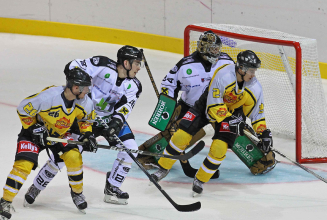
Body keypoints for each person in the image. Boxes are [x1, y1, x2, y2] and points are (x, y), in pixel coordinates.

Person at [23, 45, 143, 207]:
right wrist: (80, 84)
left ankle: (112, 187)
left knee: (130, 149)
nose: (139, 67)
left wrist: (116, 122)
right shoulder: (102, 64)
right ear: (126, 63)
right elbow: (72, 66)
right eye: (136, 63)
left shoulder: (135, 85)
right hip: (83, 117)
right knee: (63, 155)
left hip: (109, 119)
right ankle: (36, 187)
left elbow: (126, 107)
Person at [150, 50, 276, 195]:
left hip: (233, 112)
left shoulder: (255, 87)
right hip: (206, 105)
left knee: (219, 149)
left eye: (255, 70)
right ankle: (163, 168)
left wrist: (263, 132)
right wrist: (232, 122)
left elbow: (257, 114)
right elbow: (213, 107)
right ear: (241, 69)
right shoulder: (223, 76)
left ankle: (200, 180)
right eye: (251, 70)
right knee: (180, 136)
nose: (253, 74)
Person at [0, 68, 96, 218]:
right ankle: (5, 201)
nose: (87, 91)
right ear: (76, 87)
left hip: (59, 134)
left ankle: (77, 194)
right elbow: (23, 109)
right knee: (23, 165)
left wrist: (88, 135)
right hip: (34, 134)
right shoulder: (48, 97)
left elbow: (85, 120)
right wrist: (33, 128)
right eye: (85, 87)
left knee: (74, 157)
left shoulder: (85, 102)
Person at [137, 30, 234, 171]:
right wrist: (169, 109)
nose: (216, 52)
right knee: (174, 134)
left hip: (218, 107)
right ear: (203, 49)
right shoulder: (186, 65)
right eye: (213, 49)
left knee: (235, 132)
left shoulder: (226, 61)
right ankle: (149, 156)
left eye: (218, 49)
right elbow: (168, 84)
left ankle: (260, 159)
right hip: (191, 107)